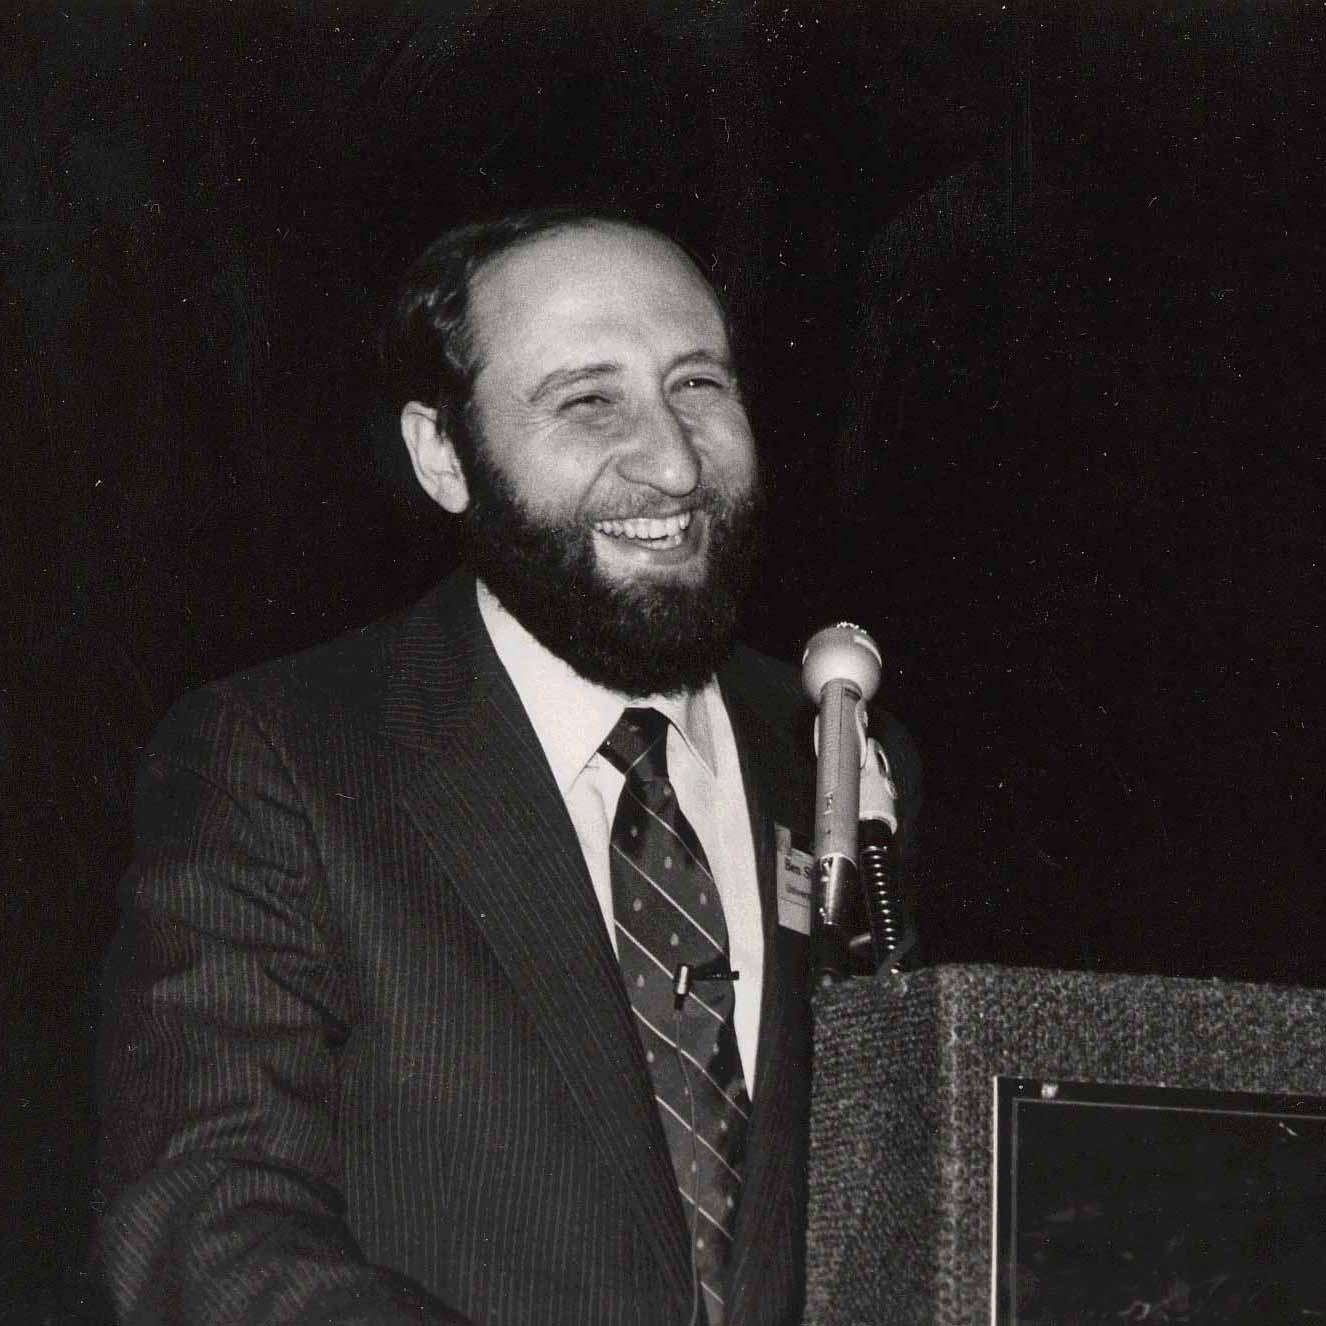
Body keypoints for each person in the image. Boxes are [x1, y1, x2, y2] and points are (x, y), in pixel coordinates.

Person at [96, 206, 920, 1325]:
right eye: (589, 401)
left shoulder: (840, 756)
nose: (674, 462)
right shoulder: (279, 758)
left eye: (697, 384)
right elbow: (208, 1220)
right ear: (444, 455)